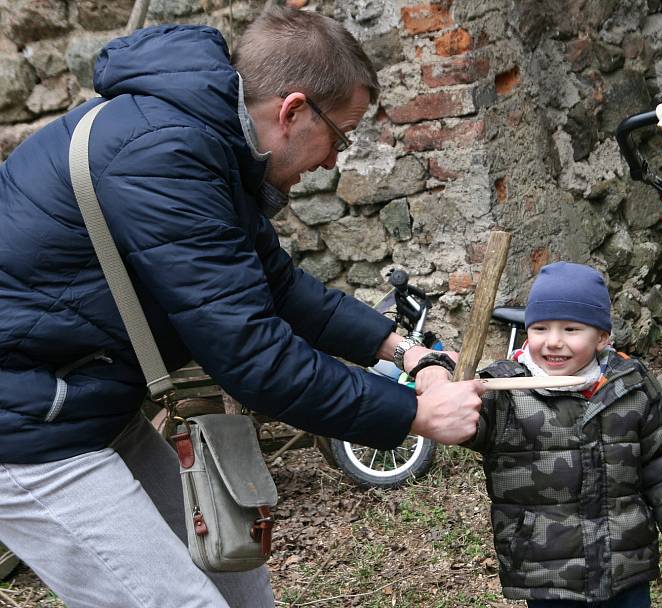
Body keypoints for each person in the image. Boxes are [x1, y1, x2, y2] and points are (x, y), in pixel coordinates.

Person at [0, 7, 483, 608]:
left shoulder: (204, 143)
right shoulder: (162, 154)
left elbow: (276, 286)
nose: (334, 160)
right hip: (23, 422)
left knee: (237, 576)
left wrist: (404, 350)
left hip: (86, 402)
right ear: (293, 110)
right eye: (341, 135)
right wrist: (415, 414)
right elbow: (254, 358)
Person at [460, 262, 662, 607]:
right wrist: (448, 390)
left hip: (624, 562)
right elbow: (464, 425)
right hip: (547, 568)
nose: (553, 342)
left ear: (602, 337)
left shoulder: (630, 386)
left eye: (571, 329)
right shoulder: (505, 393)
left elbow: (661, 457)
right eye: (540, 328)